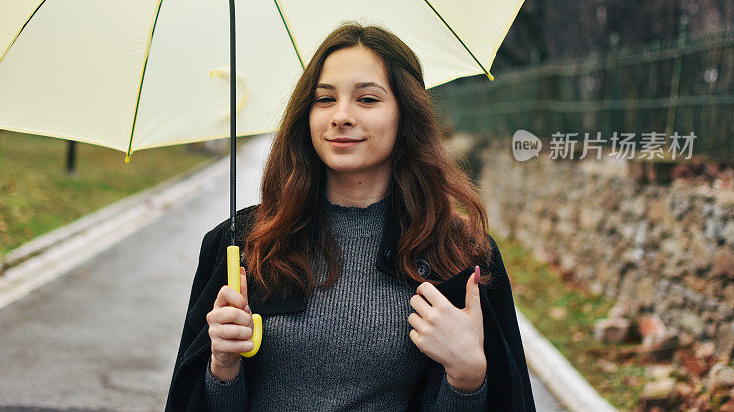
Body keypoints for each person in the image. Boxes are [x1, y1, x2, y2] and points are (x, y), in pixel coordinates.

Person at [165, 22, 536, 411]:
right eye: (324, 99)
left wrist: (467, 378)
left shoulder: (459, 255)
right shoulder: (241, 245)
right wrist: (222, 368)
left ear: (405, 116)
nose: (341, 115)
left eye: (367, 99)